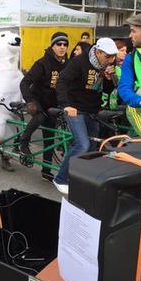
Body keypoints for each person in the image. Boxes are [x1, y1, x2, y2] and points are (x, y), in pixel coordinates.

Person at [53, 38, 118, 194]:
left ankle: (81, 179)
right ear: (98, 51)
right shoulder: (79, 62)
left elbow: (106, 90)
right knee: (82, 144)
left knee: (92, 147)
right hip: (75, 108)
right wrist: (66, 105)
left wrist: (109, 79)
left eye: (113, 57)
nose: (111, 60)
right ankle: (61, 178)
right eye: (108, 56)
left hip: (92, 110)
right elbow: (61, 81)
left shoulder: (105, 66)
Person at [19, 32, 70, 182]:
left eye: (65, 45)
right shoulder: (42, 63)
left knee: (50, 138)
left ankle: (46, 171)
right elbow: (24, 83)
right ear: (52, 46)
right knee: (40, 117)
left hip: (54, 104)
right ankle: (24, 142)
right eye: (58, 44)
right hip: (38, 100)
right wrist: (30, 101)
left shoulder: (67, 64)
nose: (62, 47)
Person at [101, 39, 128, 110]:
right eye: (122, 50)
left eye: (125, 51)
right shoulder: (108, 67)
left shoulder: (127, 66)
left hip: (122, 102)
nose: (125, 53)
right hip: (107, 104)